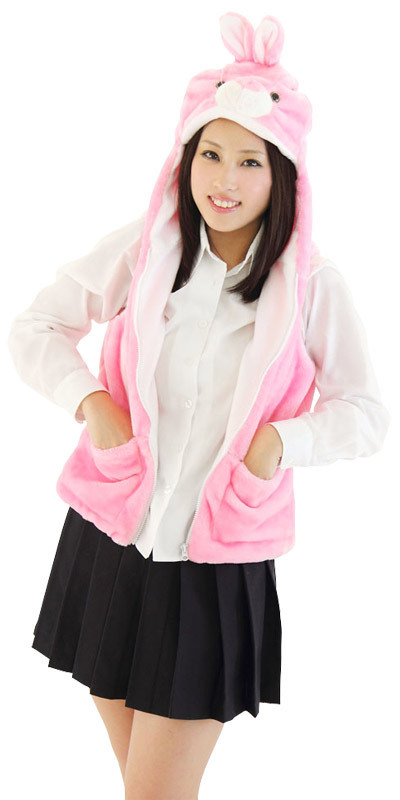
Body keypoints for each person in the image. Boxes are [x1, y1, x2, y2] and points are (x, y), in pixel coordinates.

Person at [7, 11, 391, 800]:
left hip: (215, 566)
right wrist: (91, 403)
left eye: (250, 161)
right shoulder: (144, 249)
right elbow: (37, 326)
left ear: (283, 173)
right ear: (184, 157)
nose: (225, 179)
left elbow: (365, 412)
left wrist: (280, 444)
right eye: (210, 153)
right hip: (111, 540)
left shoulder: (313, 285)